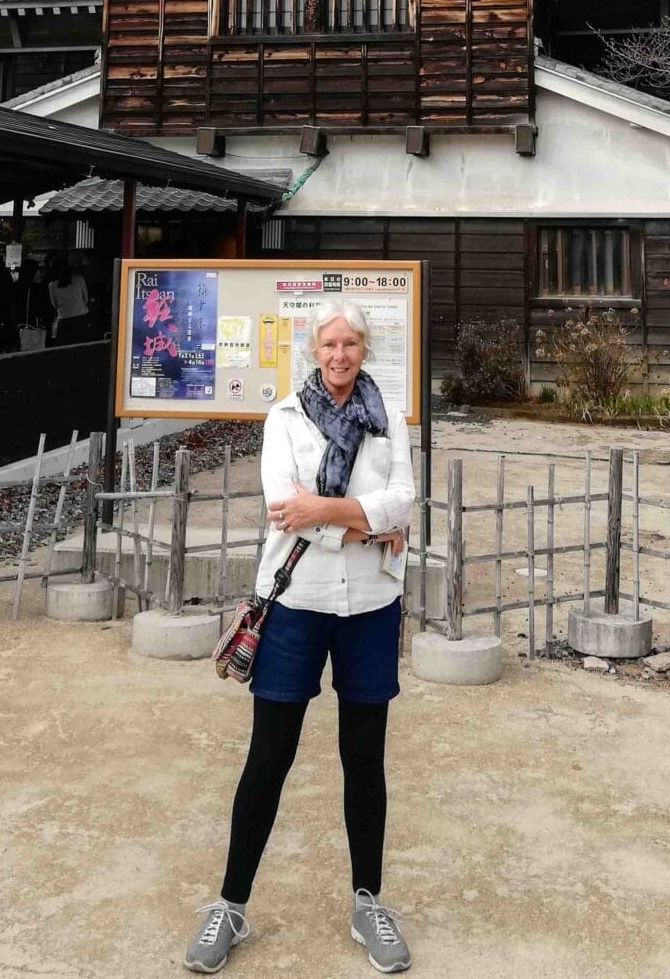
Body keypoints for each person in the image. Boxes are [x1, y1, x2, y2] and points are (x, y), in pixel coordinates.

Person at [185, 300, 414, 975]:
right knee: (269, 755)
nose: (340, 355)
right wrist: (363, 525)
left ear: (364, 350)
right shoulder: (283, 418)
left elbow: (404, 499)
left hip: (372, 600)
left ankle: (368, 901)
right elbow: (285, 509)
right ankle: (230, 905)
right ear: (314, 350)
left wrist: (333, 513)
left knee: (364, 757)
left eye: (351, 344)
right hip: (297, 599)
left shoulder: (387, 418)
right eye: (329, 344)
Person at [45, 257, 93, 346]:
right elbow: (85, 299)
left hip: (64, 320)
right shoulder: (79, 279)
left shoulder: (52, 285)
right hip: (81, 318)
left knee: (65, 351)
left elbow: (54, 305)